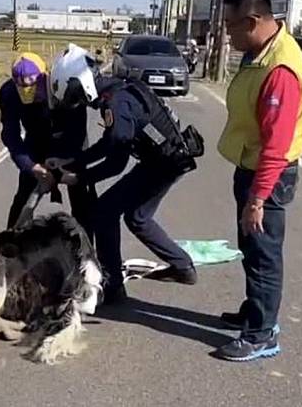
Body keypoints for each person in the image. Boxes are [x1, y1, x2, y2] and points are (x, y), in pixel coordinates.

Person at [46, 43, 204, 304]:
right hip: (169, 158)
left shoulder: (116, 105)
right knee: (138, 217)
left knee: (104, 213)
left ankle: (113, 288)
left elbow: (115, 163)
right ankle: (183, 267)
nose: (75, 103)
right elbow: (108, 145)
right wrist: (71, 161)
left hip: (164, 163)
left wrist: (78, 177)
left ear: (81, 84)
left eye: (73, 95)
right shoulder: (116, 91)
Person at [213, 0, 302, 362]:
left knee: (263, 254)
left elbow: (276, 145)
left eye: (231, 26)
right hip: (251, 166)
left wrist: (257, 199)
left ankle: (261, 333)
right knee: (251, 249)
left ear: (253, 21)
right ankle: (256, 311)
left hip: (267, 175)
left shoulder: (280, 69)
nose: (226, 33)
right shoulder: (260, 51)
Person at [0, 52, 96, 239]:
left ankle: (88, 250)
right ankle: (11, 246)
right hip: (36, 142)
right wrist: (29, 165)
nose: (33, 97)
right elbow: (10, 134)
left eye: (36, 92)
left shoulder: (64, 85)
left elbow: (77, 132)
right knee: (23, 199)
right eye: (24, 89)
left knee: (82, 199)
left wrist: (60, 166)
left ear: (45, 76)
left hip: (69, 144)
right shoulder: (9, 93)